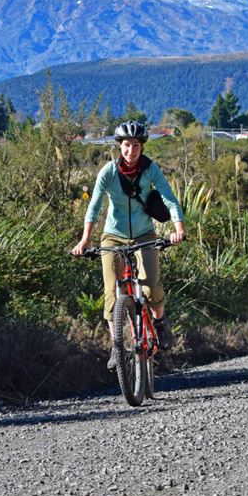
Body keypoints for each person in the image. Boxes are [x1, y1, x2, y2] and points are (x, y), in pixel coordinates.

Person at [70, 120, 186, 370]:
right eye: (125, 145)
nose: (130, 150)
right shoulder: (108, 172)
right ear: (119, 146)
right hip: (113, 236)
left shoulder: (151, 170)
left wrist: (179, 229)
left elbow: (169, 198)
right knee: (112, 293)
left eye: (135, 145)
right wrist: (84, 241)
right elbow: (94, 206)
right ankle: (117, 347)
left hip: (144, 234)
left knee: (151, 285)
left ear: (141, 147)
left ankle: (160, 322)